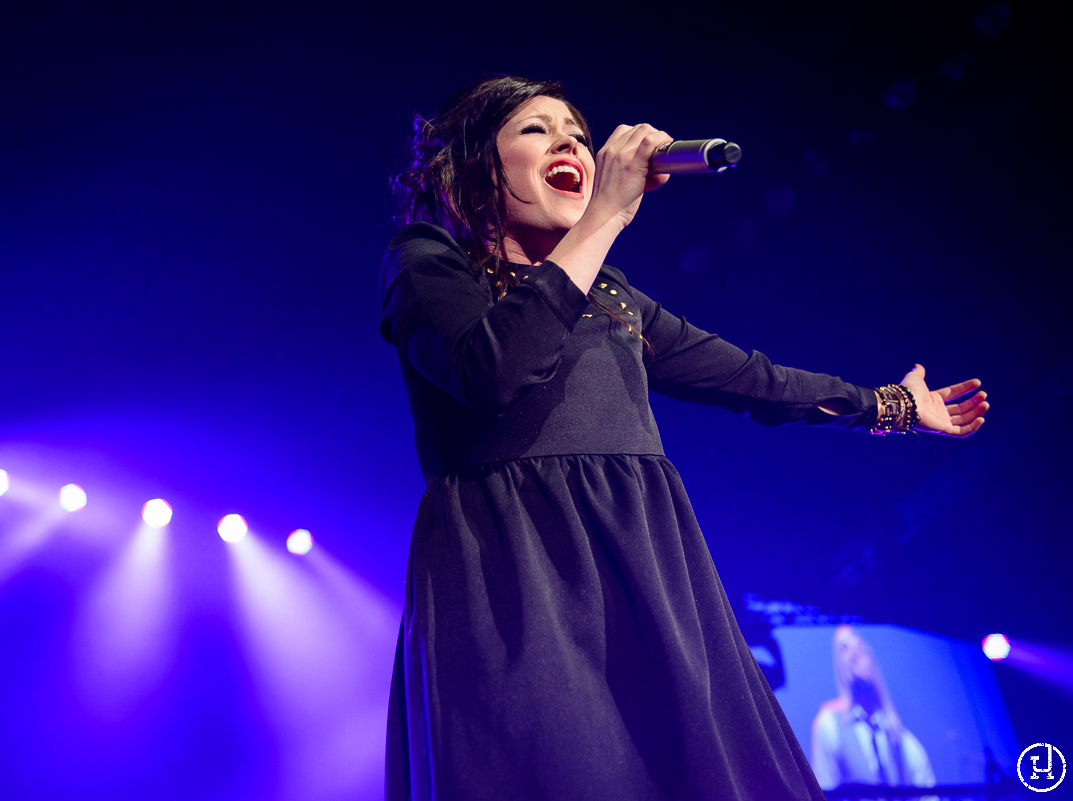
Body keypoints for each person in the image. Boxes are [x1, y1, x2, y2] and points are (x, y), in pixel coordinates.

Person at [378, 76, 987, 801]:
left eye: (576, 129)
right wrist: (602, 217)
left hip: (645, 564)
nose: (571, 139)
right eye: (537, 129)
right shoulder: (426, 262)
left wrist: (886, 404)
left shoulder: (613, 296)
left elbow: (754, 379)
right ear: (480, 166)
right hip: (518, 571)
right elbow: (491, 369)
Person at [810, 626, 937, 790]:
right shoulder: (829, 725)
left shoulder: (900, 738)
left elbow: (927, 790)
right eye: (844, 649)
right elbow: (824, 788)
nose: (854, 655)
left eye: (860, 647)